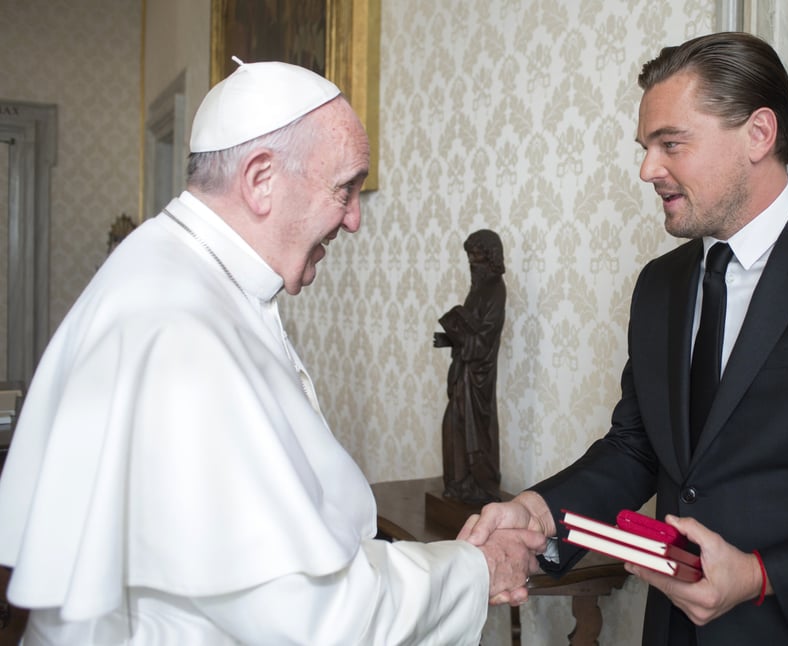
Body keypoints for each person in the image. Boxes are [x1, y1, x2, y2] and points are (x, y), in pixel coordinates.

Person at [460, 32, 788, 645]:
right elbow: (638, 448)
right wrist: (540, 512)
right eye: (645, 147)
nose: (647, 169)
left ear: (758, 135)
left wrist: (760, 576)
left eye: (671, 144)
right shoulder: (660, 284)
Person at [0, 60, 543, 645]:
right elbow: (314, 617)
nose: (355, 219)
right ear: (261, 179)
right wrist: (477, 568)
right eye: (346, 188)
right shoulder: (180, 332)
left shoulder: (175, 274)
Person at [433, 230, 506, 505]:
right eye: (469, 260)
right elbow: (469, 330)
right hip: (463, 374)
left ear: (491, 260)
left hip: (479, 378)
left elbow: (484, 340)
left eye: (477, 260)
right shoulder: (477, 289)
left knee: (478, 432)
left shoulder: (495, 290)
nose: (473, 266)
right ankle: (458, 484)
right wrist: (448, 338)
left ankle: (482, 486)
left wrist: (460, 335)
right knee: (453, 427)